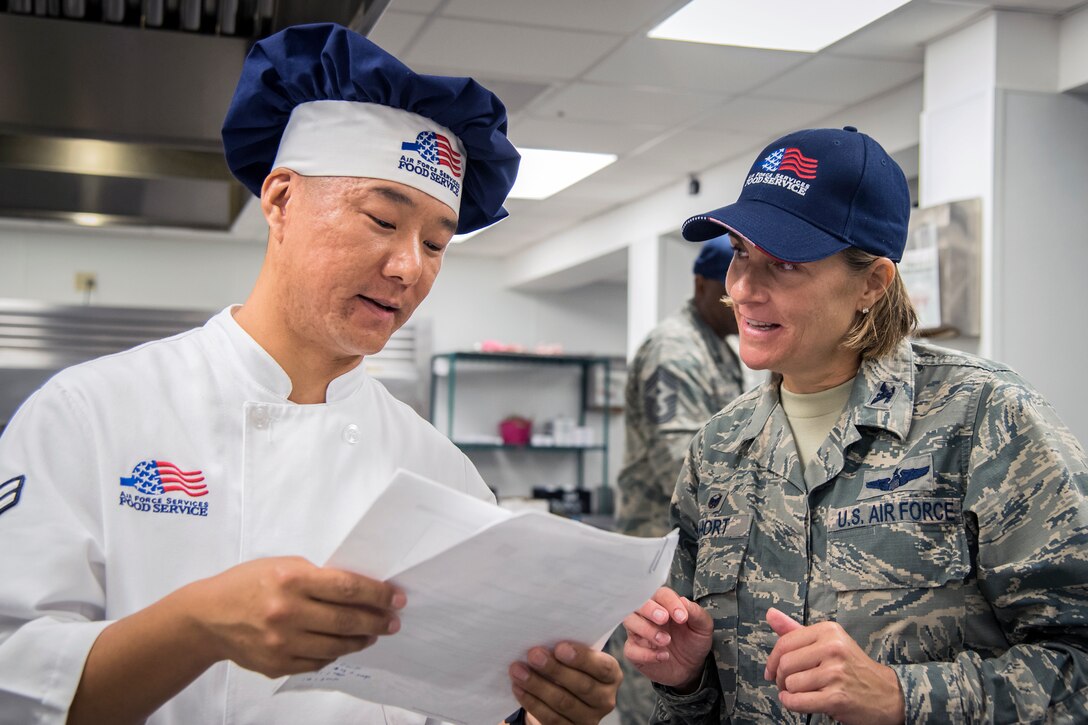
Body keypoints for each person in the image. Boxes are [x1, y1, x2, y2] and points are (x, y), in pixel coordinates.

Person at [0, 23, 620, 725]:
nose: (409, 267)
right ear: (281, 199)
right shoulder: (89, 415)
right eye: (383, 220)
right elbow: (16, 683)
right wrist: (196, 622)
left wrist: (543, 711)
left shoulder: (439, 471)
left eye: (436, 243)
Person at [622, 126, 1088, 723]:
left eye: (785, 263)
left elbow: (1076, 660)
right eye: (740, 253)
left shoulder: (984, 418)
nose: (741, 289)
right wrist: (686, 681)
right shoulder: (718, 449)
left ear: (872, 282)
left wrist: (901, 697)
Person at [608, 234, 746, 724]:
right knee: (656, 691)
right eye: (731, 285)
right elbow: (680, 462)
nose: (744, 298)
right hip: (660, 552)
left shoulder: (718, 347)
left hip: (693, 549)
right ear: (703, 284)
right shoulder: (678, 349)